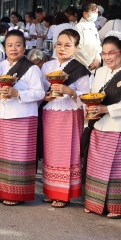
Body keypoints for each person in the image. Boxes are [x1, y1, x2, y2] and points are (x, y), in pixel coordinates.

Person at [83, 33, 121, 218]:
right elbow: (93, 95)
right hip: (100, 126)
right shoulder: (100, 71)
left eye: (112, 53)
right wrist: (90, 109)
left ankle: (116, 207)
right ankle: (94, 204)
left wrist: (107, 109)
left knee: (117, 169)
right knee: (96, 167)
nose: (107, 57)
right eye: (104, 53)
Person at [39, 28, 90, 209]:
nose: (62, 48)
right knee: (51, 152)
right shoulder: (47, 66)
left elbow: (86, 96)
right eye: (59, 44)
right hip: (50, 113)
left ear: (76, 47)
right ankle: (52, 190)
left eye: (68, 45)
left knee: (67, 152)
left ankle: (64, 194)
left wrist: (69, 91)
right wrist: (44, 97)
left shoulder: (80, 69)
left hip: (70, 114)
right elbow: (40, 90)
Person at [0, 29, 45, 206]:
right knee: (4, 156)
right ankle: (3, 191)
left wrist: (18, 93)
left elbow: (40, 93)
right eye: (10, 45)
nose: (13, 48)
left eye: (18, 45)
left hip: (24, 117)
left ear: (24, 47)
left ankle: (17, 194)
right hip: (3, 116)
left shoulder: (31, 68)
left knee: (20, 157)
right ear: (4, 47)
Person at [73, 3, 103, 70]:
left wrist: (98, 59)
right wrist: (90, 62)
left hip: (94, 64)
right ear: (85, 14)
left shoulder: (93, 27)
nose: (96, 14)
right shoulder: (78, 27)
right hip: (82, 65)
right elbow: (77, 47)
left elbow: (98, 45)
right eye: (94, 12)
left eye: (97, 12)